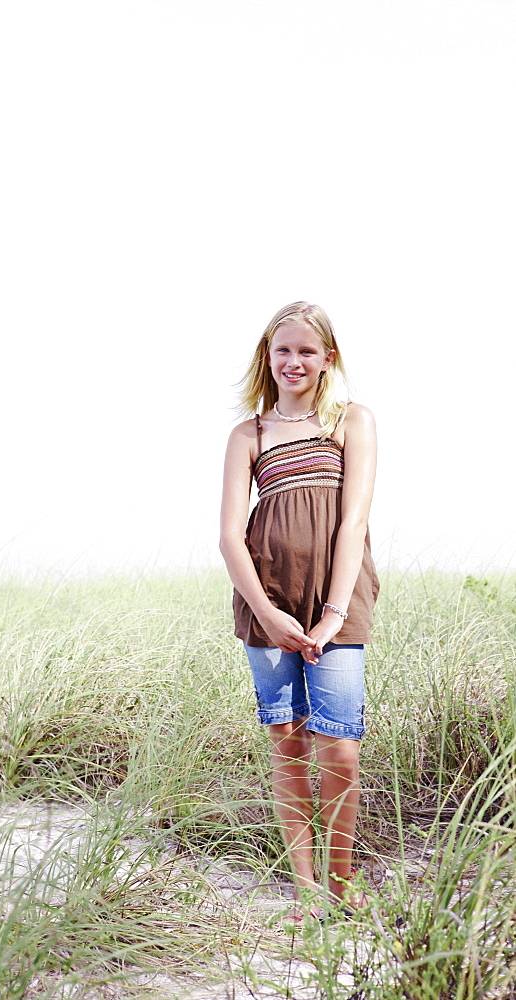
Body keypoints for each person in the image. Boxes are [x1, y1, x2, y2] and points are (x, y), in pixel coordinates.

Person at [219, 301, 379, 921]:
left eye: (307, 351)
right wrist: (267, 614)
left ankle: (341, 881)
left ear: (327, 359)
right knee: (286, 741)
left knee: (338, 745)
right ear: (267, 356)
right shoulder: (249, 434)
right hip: (268, 605)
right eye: (282, 350)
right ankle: (306, 887)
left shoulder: (350, 421)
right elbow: (231, 536)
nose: (294, 361)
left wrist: (333, 613)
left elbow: (354, 521)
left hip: (337, 603)